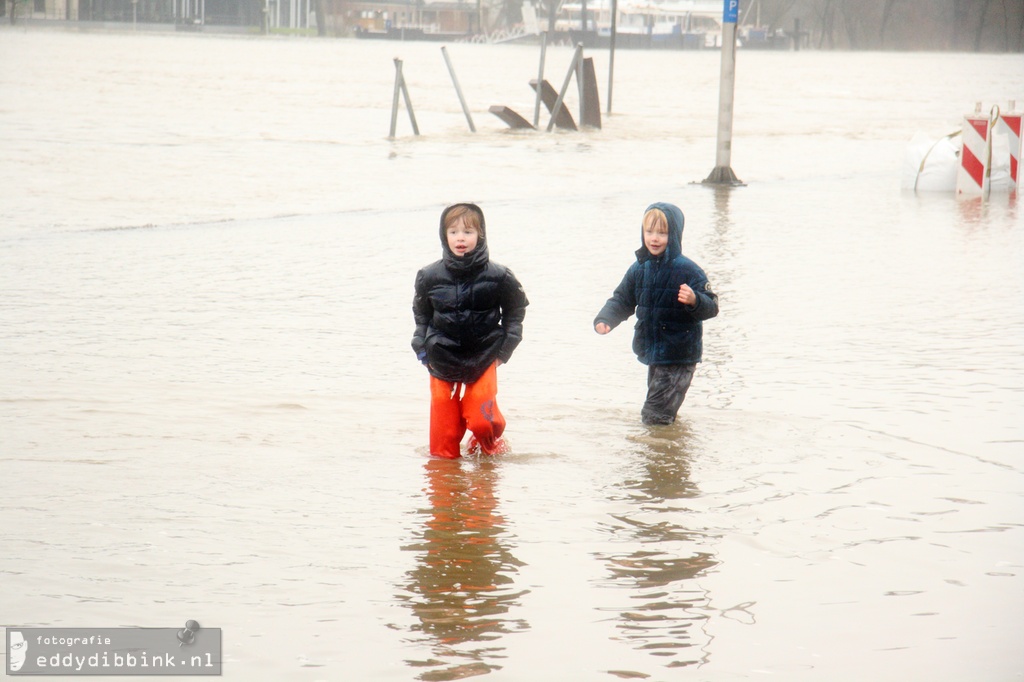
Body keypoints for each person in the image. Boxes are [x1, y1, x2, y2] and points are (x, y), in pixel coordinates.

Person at [412, 203, 529, 458]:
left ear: (481, 235)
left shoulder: (500, 275)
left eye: (468, 232)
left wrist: (505, 349)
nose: (460, 238)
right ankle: (444, 485)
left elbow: (516, 310)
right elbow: (421, 315)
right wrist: (420, 345)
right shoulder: (428, 276)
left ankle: (488, 444)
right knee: (443, 442)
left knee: (481, 421)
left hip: (484, 354)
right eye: (453, 232)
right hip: (441, 356)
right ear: (444, 236)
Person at [594, 202, 718, 425]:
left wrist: (695, 300)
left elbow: (712, 306)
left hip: (679, 355)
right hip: (655, 354)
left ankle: (658, 457)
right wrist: (605, 320)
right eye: (649, 231)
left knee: (654, 416)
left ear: (675, 234)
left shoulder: (688, 269)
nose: (654, 238)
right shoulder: (640, 267)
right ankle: (673, 450)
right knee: (662, 414)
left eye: (662, 233)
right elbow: (622, 299)